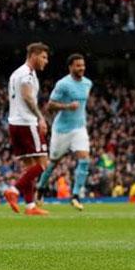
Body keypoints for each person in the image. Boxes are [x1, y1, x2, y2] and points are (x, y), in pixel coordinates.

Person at [36, 54, 93, 211]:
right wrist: (67, 107)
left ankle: (75, 196)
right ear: (70, 67)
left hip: (79, 127)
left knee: (85, 160)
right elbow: (50, 106)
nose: (81, 68)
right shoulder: (63, 84)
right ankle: (40, 188)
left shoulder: (88, 83)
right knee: (53, 162)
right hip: (62, 129)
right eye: (78, 66)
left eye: (83, 65)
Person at [3, 42, 50, 216]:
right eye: (44, 57)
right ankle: (13, 190)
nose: (46, 61)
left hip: (14, 123)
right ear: (34, 55)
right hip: (27, 122)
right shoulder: (27, 74)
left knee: (29, 166)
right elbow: (27, 97)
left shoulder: (16, 73)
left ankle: (30, 206)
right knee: (44, 164)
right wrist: (40, 117)